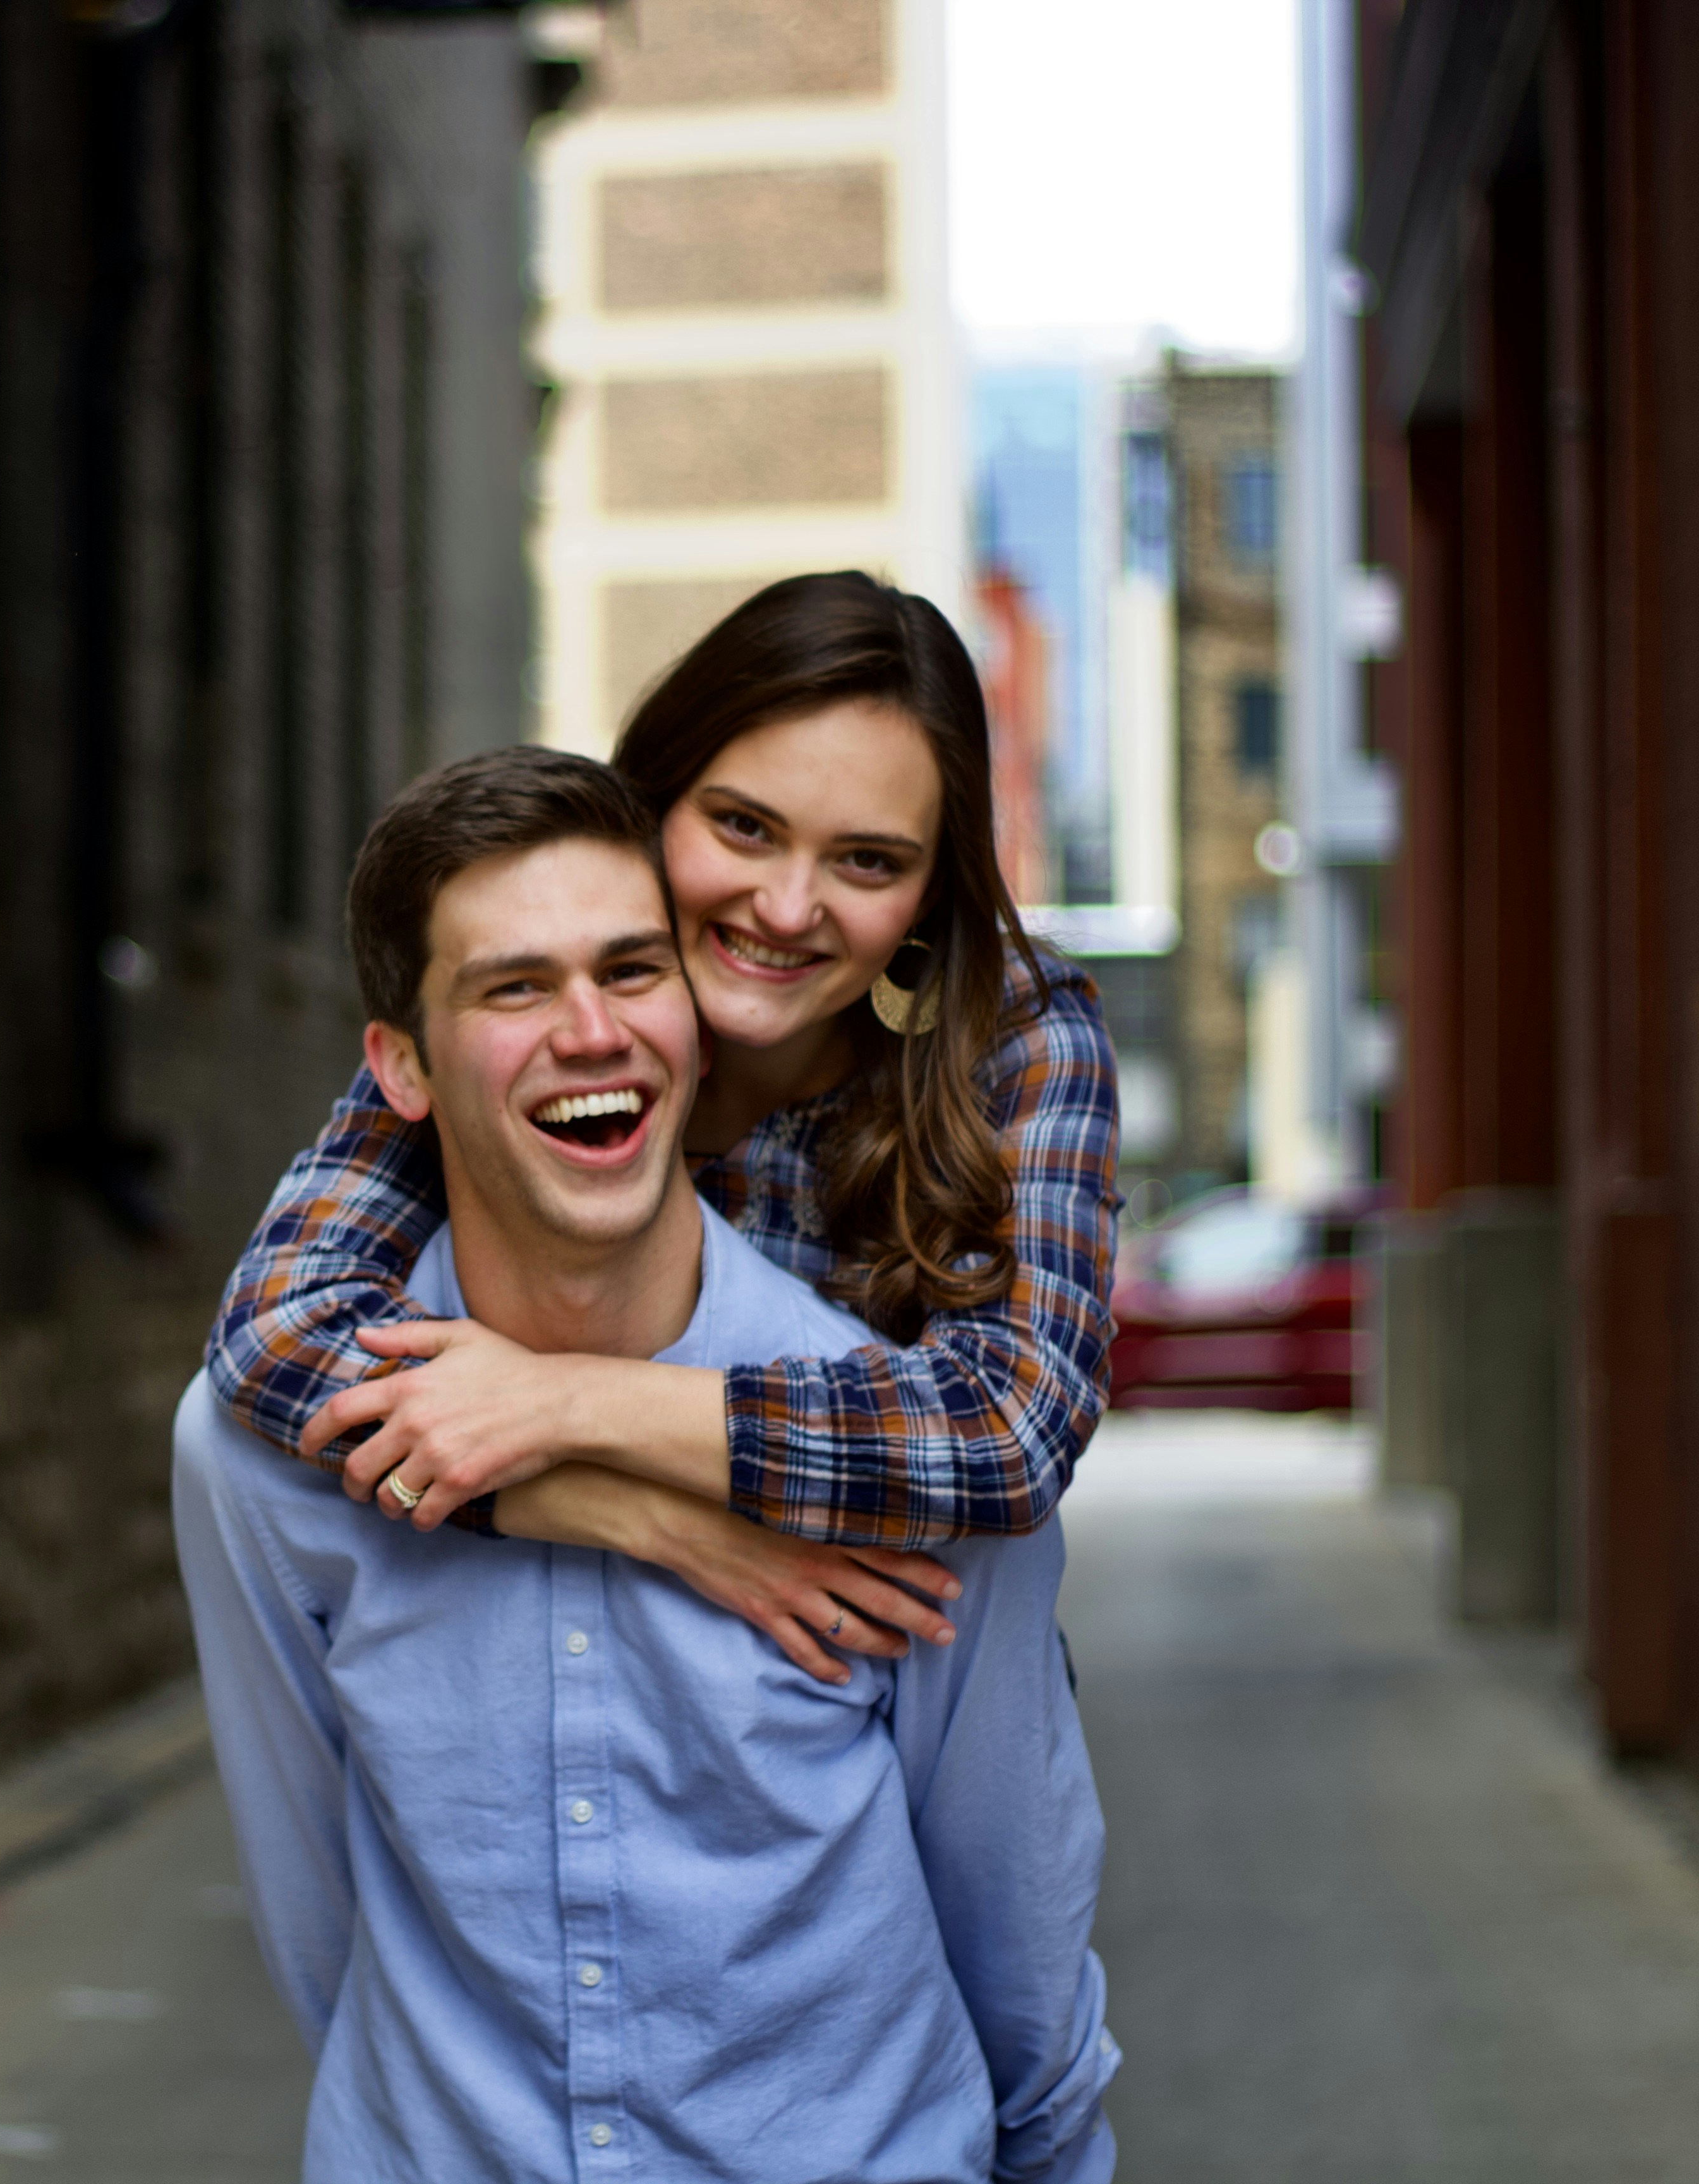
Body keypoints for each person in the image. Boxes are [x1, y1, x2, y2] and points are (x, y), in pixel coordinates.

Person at [172, 746, 1116, 2181]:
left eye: (630, 970)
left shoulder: (914, 1464)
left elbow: (1019, 1940)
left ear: (698, 1017)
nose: (591, 1031)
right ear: (401, 1068)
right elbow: (317, 1916)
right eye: (514, 988)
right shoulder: (275, 1463)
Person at [207, 574, 1118, 1668]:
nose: (786, 908)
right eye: (744, 827)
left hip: (880, 1668)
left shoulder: (1010, 1033)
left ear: (929, 893)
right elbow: (278, 1331)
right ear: (656, 805)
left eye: (868, 860)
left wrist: (561, 1404)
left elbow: (1009, 1429)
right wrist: (653, 1521)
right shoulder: (538, 1021)